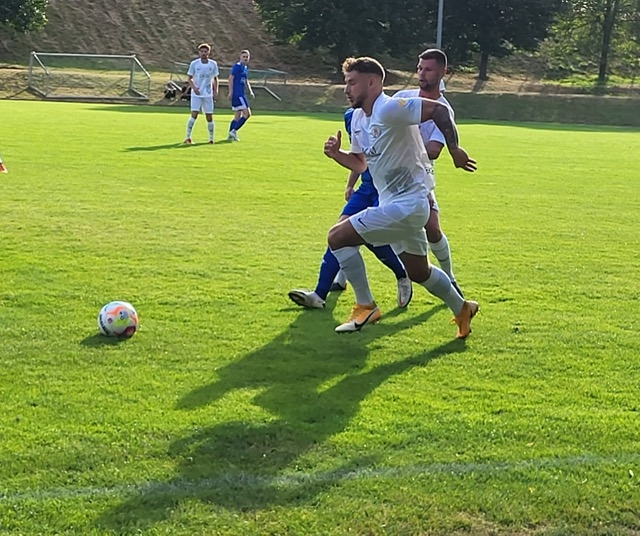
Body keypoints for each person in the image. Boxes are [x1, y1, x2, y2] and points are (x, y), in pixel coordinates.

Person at [323, 56, 479, 337]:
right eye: (346, 83)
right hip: (394, 205)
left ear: (372, 82)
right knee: (419, 272)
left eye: (352, 83)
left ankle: (365, 306)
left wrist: (454, 148)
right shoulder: (358, 118)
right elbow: (361, 163)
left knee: (337, 237)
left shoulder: (390, 108)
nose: (346, 89)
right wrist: (337, 155)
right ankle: (462, 308)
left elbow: (439, 110)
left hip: (409, 204)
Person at [288, 107, 413, 310]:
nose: (348, 92)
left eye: (351, 88)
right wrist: (350, 184)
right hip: (366, 188)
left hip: (386, 189)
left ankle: (402, 275)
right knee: (338, 233)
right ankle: (319, 295)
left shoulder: (387, 113)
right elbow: (359, 158)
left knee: (370, 237)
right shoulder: (351, 116)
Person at [394, 49, 463, 297]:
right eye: (419, 68)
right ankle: (340, 280)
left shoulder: (443, 111)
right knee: (358, 223)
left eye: (428, 69)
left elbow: (434, 150)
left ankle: (450, 278)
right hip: (388, 176)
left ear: (443, 72)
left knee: (432, 228)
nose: (422, 74)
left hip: (418, 177)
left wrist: (401, 144)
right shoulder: (403, 97)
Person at [184, 43, 219, 145]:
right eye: (202, 51)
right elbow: (189, 78)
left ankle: (211, 139)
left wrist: (216, 90)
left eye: (205, 51)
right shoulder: (194, 64)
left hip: (208, 94)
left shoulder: (213, 64)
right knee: (194, 115)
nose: (204, 53)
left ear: (209, 52)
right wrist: (194, 88)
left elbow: (215, 78)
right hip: (196, 94)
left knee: (209, 116)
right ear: (199, 52)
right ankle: (188, 137)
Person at [227, 50, 255, 142]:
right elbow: (230, 78)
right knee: (247, 114)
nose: (245, 58)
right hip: (238, 94)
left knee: (237, 115)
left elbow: (246, 80)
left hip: (241, 93)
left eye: (247, 57)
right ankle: (234, 131)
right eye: (244, 56)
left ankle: (230, 135)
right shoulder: (237, 66)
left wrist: (250, 91)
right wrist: (231, 92)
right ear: (240, 57)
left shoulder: (245, 68)